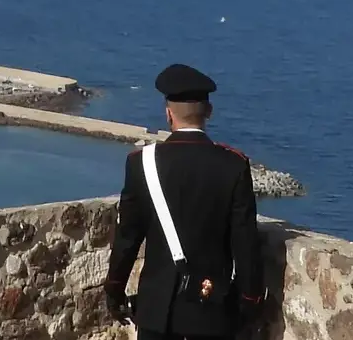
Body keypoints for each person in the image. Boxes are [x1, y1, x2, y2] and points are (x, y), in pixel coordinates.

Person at [107, 64, 263, 339]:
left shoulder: (141, 163)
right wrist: (249, 301)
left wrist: (115, 289)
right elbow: (245, 243)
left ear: (168, 114)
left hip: (157, 313)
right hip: (211, 310)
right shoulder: (234, 165)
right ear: (209, 113)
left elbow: (127, 238)